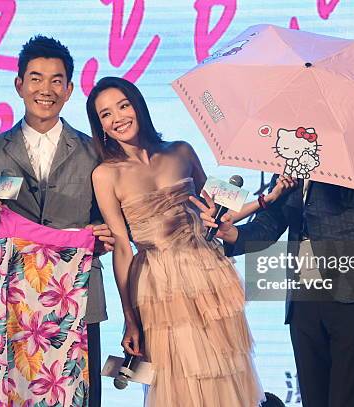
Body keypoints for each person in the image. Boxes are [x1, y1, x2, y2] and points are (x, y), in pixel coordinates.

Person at [86, 76, 292, 407]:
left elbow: (219, 209)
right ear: (100, 126)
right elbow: (122, 248)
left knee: (223, 372)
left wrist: (269, 197)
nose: (117, 118)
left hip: (207, 272)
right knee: (177, 381)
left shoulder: (181, 150)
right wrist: (129, 317)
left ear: (138, 106)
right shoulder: (105, 174)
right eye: (105, 114)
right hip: (158, 286)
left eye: (123, 106)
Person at [0, 35, 114, 406]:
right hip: (15, 297)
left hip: (76, 295)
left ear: (68, 90)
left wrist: (103, 235)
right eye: (35, 78)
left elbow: (108, 224)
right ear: (19, 84)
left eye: (55, 80)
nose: (44, 89)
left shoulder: (95, 151)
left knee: (80, 397)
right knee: (16, 393)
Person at [192, 171, 354, 407]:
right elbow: (272, 221)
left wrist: (318, 162)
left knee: (347, 399)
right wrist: (233, 233)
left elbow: (350, 195)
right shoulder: (295, 154)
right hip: (304, 294)